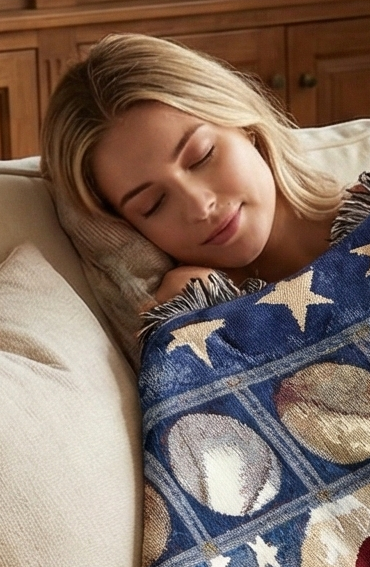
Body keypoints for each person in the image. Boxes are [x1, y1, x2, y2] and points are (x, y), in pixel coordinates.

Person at [41, 32, 346, 349]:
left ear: (241, 121)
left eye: (202, 156)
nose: (200, 206)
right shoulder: (186, 319)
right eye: (153, 204)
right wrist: (178, 311)